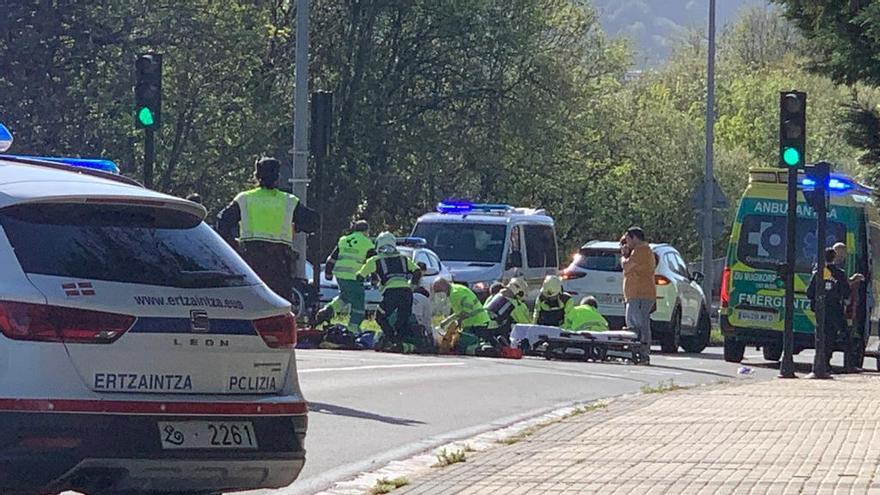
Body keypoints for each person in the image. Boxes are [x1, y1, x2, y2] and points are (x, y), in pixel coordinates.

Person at [217, 157, 318, 303]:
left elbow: (222, 221)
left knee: (250, 302)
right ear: (277, 178)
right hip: (279, 262)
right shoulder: (288, 201)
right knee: (278, 304)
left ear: (257, 177)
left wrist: (233, 245)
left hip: (250, 259)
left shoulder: (244, 198)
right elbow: (313, 222)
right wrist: (297, 227)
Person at [356, 232, 422, 352]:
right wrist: (412, 286)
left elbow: (359, 276)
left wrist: (366, 275)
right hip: (407, 293)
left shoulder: (375, 260)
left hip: (391, 293)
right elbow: (417, 271)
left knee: (380, 316)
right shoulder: (404, 259)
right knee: (402, 320)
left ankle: (391, 339)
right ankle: (401, 344)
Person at [314, 220, 375, 333]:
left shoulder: (343, 240)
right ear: (366, 231)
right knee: (358, 303)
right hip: (355, 277)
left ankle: (328, 310)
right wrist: (375, 278)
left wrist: (328, 272)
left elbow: (331, 258)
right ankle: (353, 328)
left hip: (340, 276)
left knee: (345, 297)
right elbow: (373, 263)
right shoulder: (367, 243)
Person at [807, 248, 851, 371]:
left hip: (820, 309)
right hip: (834, 309)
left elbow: (809, 292)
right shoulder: (839, 273)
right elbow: (846, 291)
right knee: (833, 335)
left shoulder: (818, 273)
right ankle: (830, 361)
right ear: (834, 258)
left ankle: (820, 361)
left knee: (821, 334)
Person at [433, 278, 496, 355]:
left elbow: (467, 310)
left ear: (443, 286)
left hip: (477, 322)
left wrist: (457, 322)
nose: (438, 294)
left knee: (468, 344)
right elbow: (459, 312)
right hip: (472, 322)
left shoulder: (456, 293)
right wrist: (447, 321)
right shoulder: (454, 292)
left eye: (438, 290)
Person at [621, 226, 655, 364]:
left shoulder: (641, 251)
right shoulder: (643, 251)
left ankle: (641, 354)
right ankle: (636, 353)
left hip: (640, 294)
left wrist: (624, 256)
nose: (626, 244)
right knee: (636, 325)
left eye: (628, 240)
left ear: (634, 237)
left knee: (637, 325)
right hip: (637, 295)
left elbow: (626, 266)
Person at [832, 242, 867, 371]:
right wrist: (854, 280)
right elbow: (844, 287)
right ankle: (849, 366)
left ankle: (825, 365)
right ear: (837, 253)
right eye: (842, 253)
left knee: (832, 336)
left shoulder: (823, 267)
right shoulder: (835, 270)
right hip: (834, 307)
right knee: (845, 336)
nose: (844, 256)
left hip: (829, 307)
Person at [485, 277, 530, 343]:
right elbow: (525, 324)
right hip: (497, 333)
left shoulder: (494, 296)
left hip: (483, 328)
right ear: (519, 292)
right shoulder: (515, 304)